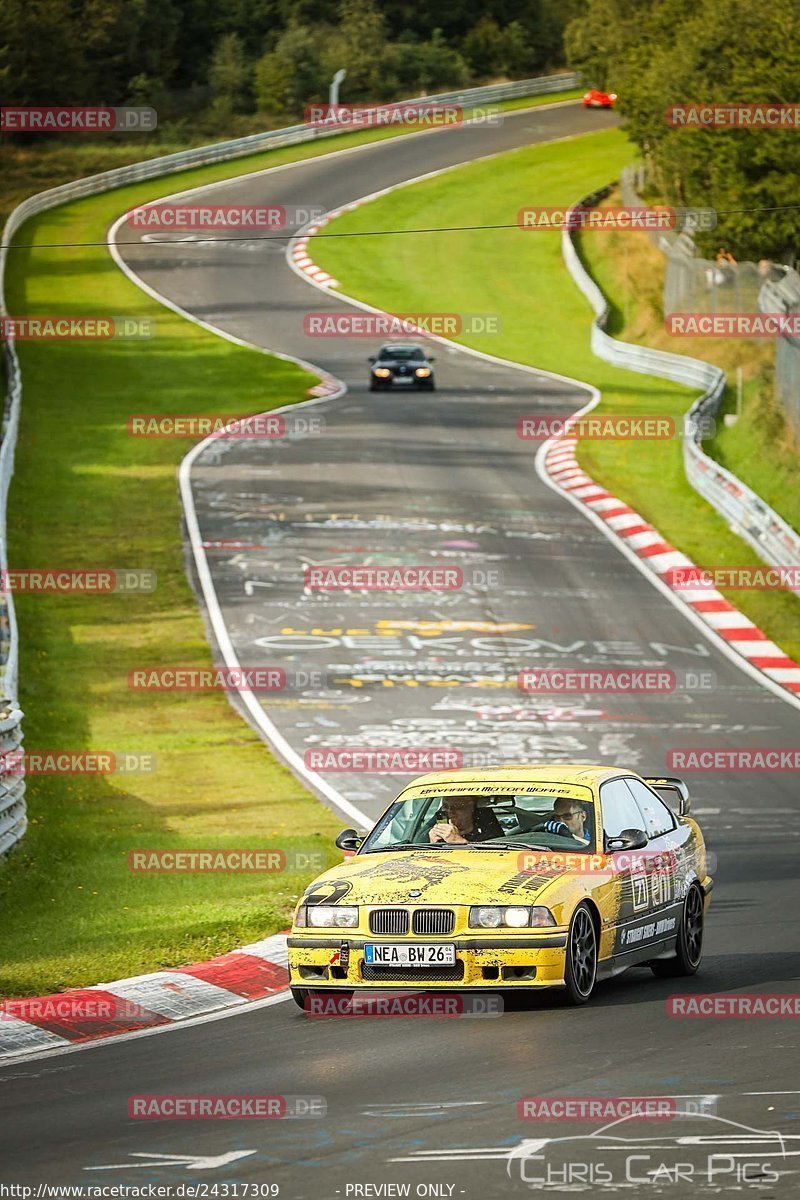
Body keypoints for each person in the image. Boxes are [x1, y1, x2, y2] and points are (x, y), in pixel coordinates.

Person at [428, 796, 504, 844]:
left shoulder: (489, 837)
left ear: (472, 809)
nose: (450, 811)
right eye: (445, 806)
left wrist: (457, 841)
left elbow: (489, 861)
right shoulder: (434, 834)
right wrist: (433, 844)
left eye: (457, 806)